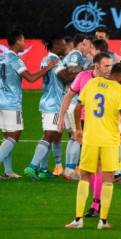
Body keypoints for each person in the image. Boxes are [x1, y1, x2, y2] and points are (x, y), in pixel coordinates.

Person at [65, 63, 121, 229]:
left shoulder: (92, 83)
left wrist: (79, 129)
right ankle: (103, 221)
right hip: (110, 140)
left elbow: (77, 107)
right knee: (108, 179)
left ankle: (78, 219)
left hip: (90, 138)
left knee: (84, 176)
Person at [0, 30, 57, 178]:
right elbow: (31, 78)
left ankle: (8, 171)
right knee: (14, 136)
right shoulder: (15, 59)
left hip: (1, 100)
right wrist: (48, 68)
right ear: (17, 41)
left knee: (7, 137)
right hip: (12, 103)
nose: (24, 43)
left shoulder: (2, 57)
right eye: (23, 40)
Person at [24, 35, 77, 179]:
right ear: (55, 45)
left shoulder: (47, 59)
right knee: (49, 135)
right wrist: (84, 70)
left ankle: (43, 170)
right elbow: (65, 77)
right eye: (62, 44)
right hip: (53, 104)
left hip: (50, 102)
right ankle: (32, 166)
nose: (65, 46)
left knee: (54, 135)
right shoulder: (53, 60)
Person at [52, 34, 91, 177]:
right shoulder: (76, 54)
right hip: (74, 102)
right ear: (83, 43)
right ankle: (70, 170)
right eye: (89, 45)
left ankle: (69, 169)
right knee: (78, 137)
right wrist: (86, 69)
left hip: (70, 102)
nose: (89, 49)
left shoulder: (75, 55)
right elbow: (72, 71)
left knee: (74, 137)